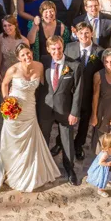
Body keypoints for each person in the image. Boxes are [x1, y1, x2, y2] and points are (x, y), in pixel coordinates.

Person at [0, 43, 61, 191]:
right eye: (23, 55)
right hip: (15, 108)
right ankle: (10, 169)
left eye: (28, 53)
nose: (27, 57)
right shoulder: (13, 69)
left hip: (29, 108)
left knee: (29, 139)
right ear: (18, 58)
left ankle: (26, 170)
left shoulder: (39, 66)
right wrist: (7, 99)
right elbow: (4, 84)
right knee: (13, 140)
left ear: (31, 52)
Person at [38, 36, 83, 185]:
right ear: (48, 49)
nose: (57, 51)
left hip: (65, 109)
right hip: (45, 107)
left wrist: (74, 112)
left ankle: (69, 168)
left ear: (62, 46)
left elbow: (77, 91)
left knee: (67, 139)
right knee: (43, 137)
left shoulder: (74, 65)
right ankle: (43, 165)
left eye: (59, 48)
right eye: (53, 49)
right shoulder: (43, 61)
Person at [65, 21, 105, 161]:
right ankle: (62, 142)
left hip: (89, 93)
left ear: (92, 33)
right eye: (81, 33)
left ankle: (78, 145)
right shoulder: (69, 48)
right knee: (67, 119)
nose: (84, 36)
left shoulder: (99, 52)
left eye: (87, 32)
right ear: (76, 34)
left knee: (84, 122)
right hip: (70, 93)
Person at [0, 14, 29, 85]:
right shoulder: (1, 37)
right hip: (4, 72)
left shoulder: (24, 41)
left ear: (15, 25)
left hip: (18, 74)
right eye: (5, 26)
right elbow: (0, 54)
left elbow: (26, 61)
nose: (7, 28)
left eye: (9, 25)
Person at [85, 133, 111, 198]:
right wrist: (107, 164)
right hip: (103, 169)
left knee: (109, 176)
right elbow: (100, 162)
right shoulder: (105, 154)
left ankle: (107, 182)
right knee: (103, 178)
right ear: (110, 146)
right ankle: (100, 190)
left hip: (109, 167)